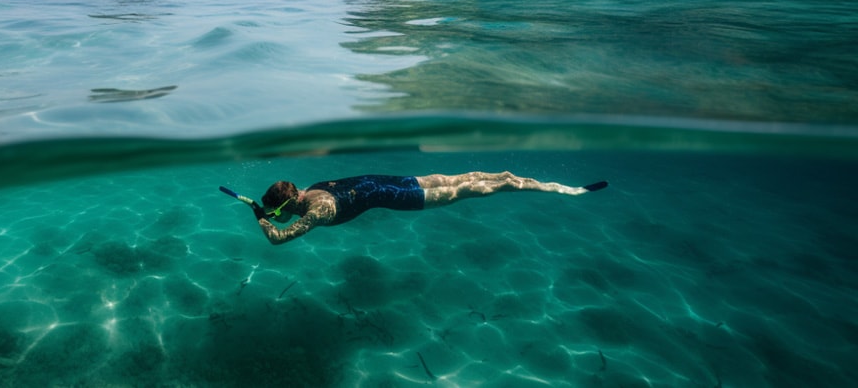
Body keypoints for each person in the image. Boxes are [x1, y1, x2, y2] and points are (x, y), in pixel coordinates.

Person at [254, 172, 608, 244]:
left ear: (288, 202)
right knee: (471, 177)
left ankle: (562, 191)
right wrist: (273, 210)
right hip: (404, 179)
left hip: (403, 197)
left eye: (279, 210)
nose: (278, 216)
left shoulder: (320, 211)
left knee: (475, 191)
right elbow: (288, 211)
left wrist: (261, 220)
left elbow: (279, 238)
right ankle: (519, 179)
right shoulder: (313, 188)